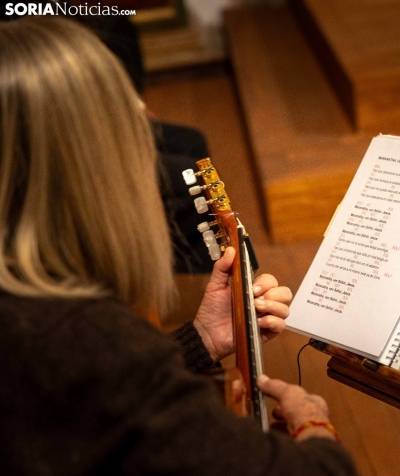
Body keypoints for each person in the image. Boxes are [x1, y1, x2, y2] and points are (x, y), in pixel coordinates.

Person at [0, 16, 357, 476]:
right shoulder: (81, 336)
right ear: (93, 165)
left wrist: (201, 340)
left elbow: (98, 407)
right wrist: (314, 425)